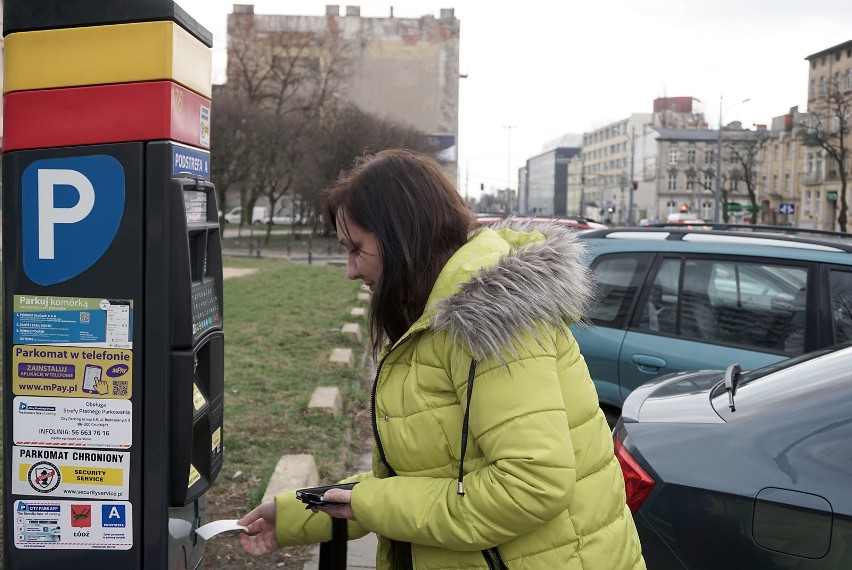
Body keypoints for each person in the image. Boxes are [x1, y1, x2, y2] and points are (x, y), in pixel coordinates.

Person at [238, 148, 645, 569]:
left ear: (401, 237)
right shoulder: (437, 321)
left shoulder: (491, 321)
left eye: (356, 249)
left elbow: (532, 484)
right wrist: (292, 517)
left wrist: (370, 502)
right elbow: (421, 480)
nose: (350, 271)